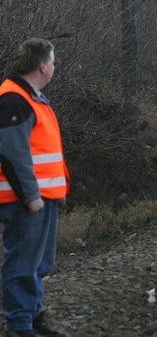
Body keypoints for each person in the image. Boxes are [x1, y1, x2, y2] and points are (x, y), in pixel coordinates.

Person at [0, 39, 69, 337]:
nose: (54, 67)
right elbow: (13, 154)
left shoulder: (31, 98)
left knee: (38, 263)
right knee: (23, 261)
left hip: (44, 196)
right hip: (27, 199)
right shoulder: (14, 100)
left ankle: (33, 317)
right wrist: (30, 197)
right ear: (42, 65)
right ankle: (20, 325)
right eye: (53, 62)